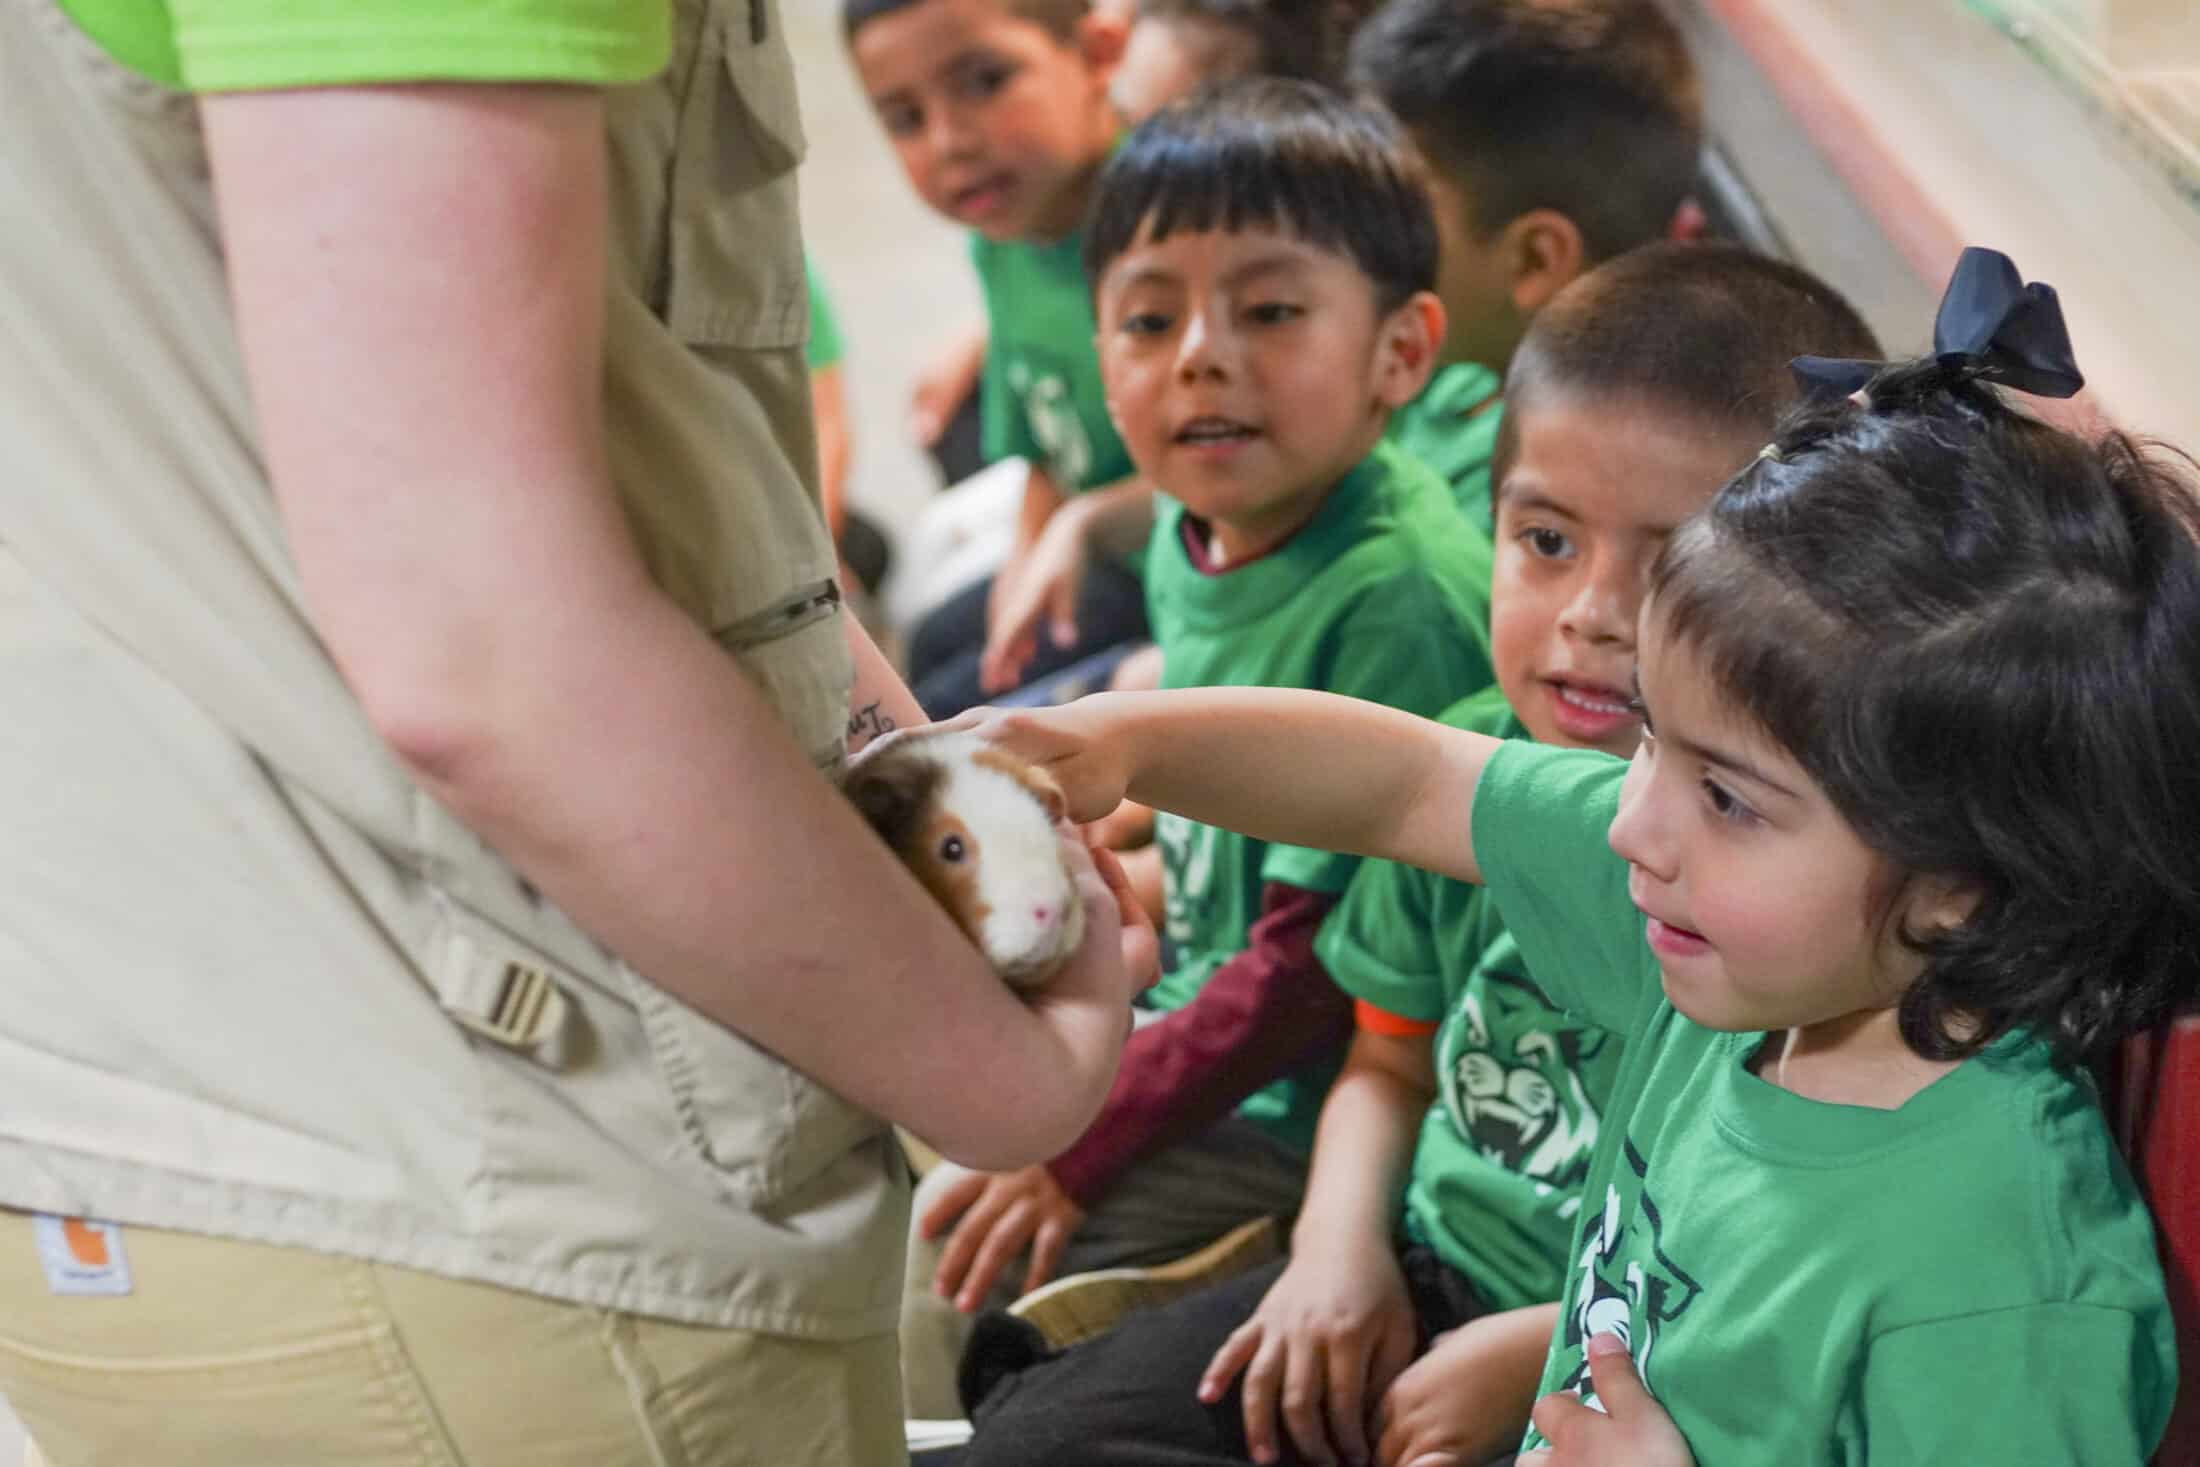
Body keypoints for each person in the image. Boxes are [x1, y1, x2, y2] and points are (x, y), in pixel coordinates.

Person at [0, 2, 1152, 1463]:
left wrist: (942, 794)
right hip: (506, 1197)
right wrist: (1000, 1079)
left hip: (182, 1125)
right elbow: (481, 637)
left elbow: (636, 471)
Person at [951, 248, 2193, 1464]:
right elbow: (1408, 778)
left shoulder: (1999, 1286)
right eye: (1651, 737)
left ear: (1959, 878)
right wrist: (1113, 744)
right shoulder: (1752, 965)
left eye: (1728, 797)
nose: (1627, 823)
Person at [900, 79, 1499, 1418]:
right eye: (1150, 317)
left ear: (1401, 352)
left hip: (1308, 1108)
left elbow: (1307, 976)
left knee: (966, 1274)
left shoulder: (1395, 595)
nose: (1201, 357)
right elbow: (1208, 858)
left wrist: (1082, 1140)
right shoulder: (1205, 524)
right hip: (1192, 1012)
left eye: (1272, 310)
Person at [979, 0, 1703, 695]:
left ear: (1532, 262)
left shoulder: (1493, 517)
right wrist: (1089, 521)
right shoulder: (1446, 384)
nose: (1348, 214)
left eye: (1398, 196)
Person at [846, 0, 1160, 716]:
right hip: (1099, 546)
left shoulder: (1169, 223)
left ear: (1098, 52)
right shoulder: (1003, 234)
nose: (950, 141)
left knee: (947, 714)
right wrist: (1024, 567)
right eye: (904, 119)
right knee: (931, 647)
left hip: (1182, 564)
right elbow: (1045, 452)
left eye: (985, 81)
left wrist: (1076, 530)